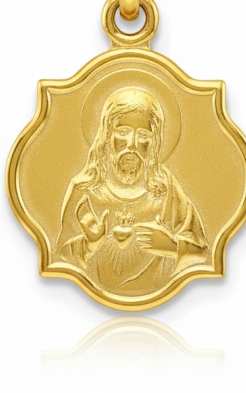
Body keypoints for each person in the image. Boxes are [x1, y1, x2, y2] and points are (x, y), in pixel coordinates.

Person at [57, 87, 208, 294]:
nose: (132, 144)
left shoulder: (166, 189)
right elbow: (60, 259)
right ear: (106, 135)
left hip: (166, 296)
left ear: (155, 142)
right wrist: (89, 245)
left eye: (143, 135)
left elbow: (202, 252)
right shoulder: (85, 189)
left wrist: (172, 246)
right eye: (123, 132)